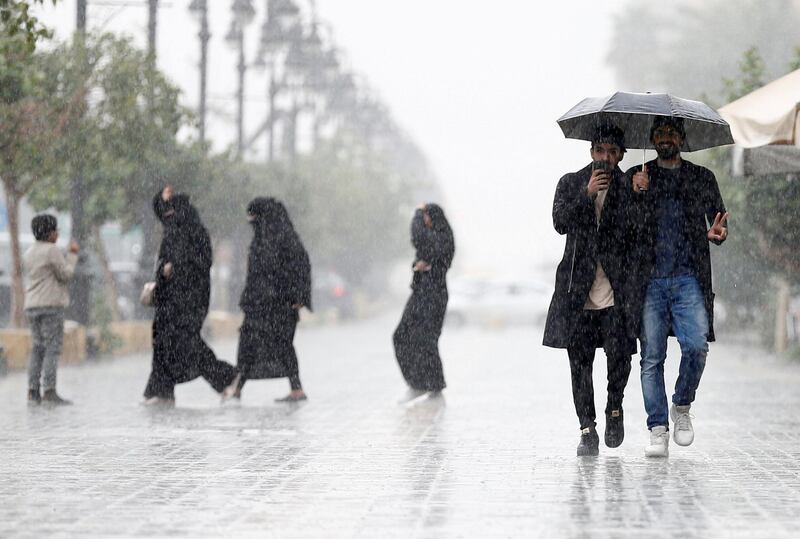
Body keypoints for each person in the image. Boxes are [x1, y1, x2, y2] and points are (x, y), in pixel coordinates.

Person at [626, 116, 729, 457]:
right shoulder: (638, 176)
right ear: (652, 138)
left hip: (688, 278)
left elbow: (718, 223)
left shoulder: (701, 178)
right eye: (659, 132)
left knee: (696, 346)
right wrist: (636, 193)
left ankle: (681, 406)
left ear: (682, 138)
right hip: (649, 280)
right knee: (651, 358)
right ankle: (657, 427)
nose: (665, 137)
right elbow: (623, 228)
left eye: (671, 132)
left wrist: (718, 235)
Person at [543, 125, 637, 456]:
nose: (607, 158)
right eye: (601, 151)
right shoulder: (570, 182)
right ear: (591, 152)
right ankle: (587, 429)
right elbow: (559, 222)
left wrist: (639, 195)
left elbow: (640, 233)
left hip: (616, 290)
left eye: (613, 152)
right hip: (578, 291)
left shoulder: (631, 185)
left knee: (620, 357)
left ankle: (615, 409)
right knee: (579, 364)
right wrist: (587, 195)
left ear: (622, 154)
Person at [142, 186, 238, 406]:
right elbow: (159, 211)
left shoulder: (195, 233)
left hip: (189, 301)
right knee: (162, 341)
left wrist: (176, 268)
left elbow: (202, 264)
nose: (167, 216)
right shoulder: (173, 229)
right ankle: (161, 390)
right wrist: (161, 197)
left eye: (171, 212)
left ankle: (227, 377)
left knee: (186, 343)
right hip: (168, 300)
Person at [223, 197, 312, 403]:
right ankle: (238, 387)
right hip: (258, 304)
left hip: (280, 304)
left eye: (255, 217)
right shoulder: (262, 239)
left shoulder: (286, 239)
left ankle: (296, 389)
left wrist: (299, 296)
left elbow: (301, 266)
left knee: (281, 345)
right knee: (249, 345)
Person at [393, 203, 455, 401]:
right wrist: (418, 266)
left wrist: (418, 213)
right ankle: (417, 383)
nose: (423, 220)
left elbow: (420, 238)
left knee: (426, 339)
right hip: (420, 292)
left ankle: (434, 386)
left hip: (434, 295)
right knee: (401, 336)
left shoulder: (443, 237)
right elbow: (421, 249)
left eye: (426, 216)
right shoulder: (431, 238)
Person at [23, 214, 79, 405]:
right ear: (50, 233)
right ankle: (49, 390)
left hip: (32, 305)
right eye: (56, 230)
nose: (58, 234)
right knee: (52, 349)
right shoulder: (51, 250)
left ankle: (32, 390)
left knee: (37, 348)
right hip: (50, 306)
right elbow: (65, 275)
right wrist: (72, 256)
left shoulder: (29, 252)